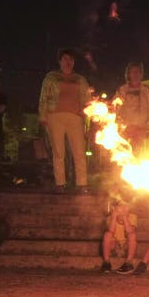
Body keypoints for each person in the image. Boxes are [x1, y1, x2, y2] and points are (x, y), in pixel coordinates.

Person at [39, 48, 92, 194]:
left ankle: (82, 184)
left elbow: (87, 100)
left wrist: (88, 119)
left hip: (75, 117)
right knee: (58, 152)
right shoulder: (51, 77)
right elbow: (44, 96)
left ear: (73, 62)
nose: (68, 62)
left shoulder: (80, 79)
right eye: (65, 59)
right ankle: (60, 183)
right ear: (60, 61)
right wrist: (43, 116)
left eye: (71, 59)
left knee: (79, 151)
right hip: (55, 116)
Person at [114, 62, 149, 155]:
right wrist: (119, 126)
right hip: (127, 128)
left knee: (138, 154)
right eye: (133, 72)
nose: (135, 74)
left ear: (141, 74)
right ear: (128, 74)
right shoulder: (122, 90)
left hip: (141, 127)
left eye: (138, 72)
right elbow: (116, 109)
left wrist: (148, 127)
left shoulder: (146, 90)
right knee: (125, 154)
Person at [100, 200, 137, 274]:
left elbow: (130, 232)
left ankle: (128, 263)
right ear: (114, 208)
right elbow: (111, 231)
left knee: (132, 235)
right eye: (120, 206)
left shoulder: (133, 217)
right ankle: (106, 262)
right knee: (107, 234)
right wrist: (114, 218)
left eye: (126, 205)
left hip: (126, 246)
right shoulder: (110, 218)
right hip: (114, 247)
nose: (124, 208)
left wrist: (125, 218)